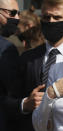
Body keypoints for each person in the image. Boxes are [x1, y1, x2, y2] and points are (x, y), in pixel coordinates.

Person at [10, 0, 63, 130]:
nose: (51, 21)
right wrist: (25, 104)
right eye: (46, 17)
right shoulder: (28, 58)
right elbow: (9, 100)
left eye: (57, 17)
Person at [0, 0, 20, 130]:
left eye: (18, 13)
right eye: (12, 13)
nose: (17, 18)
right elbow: (13, 90)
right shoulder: (6, 49)